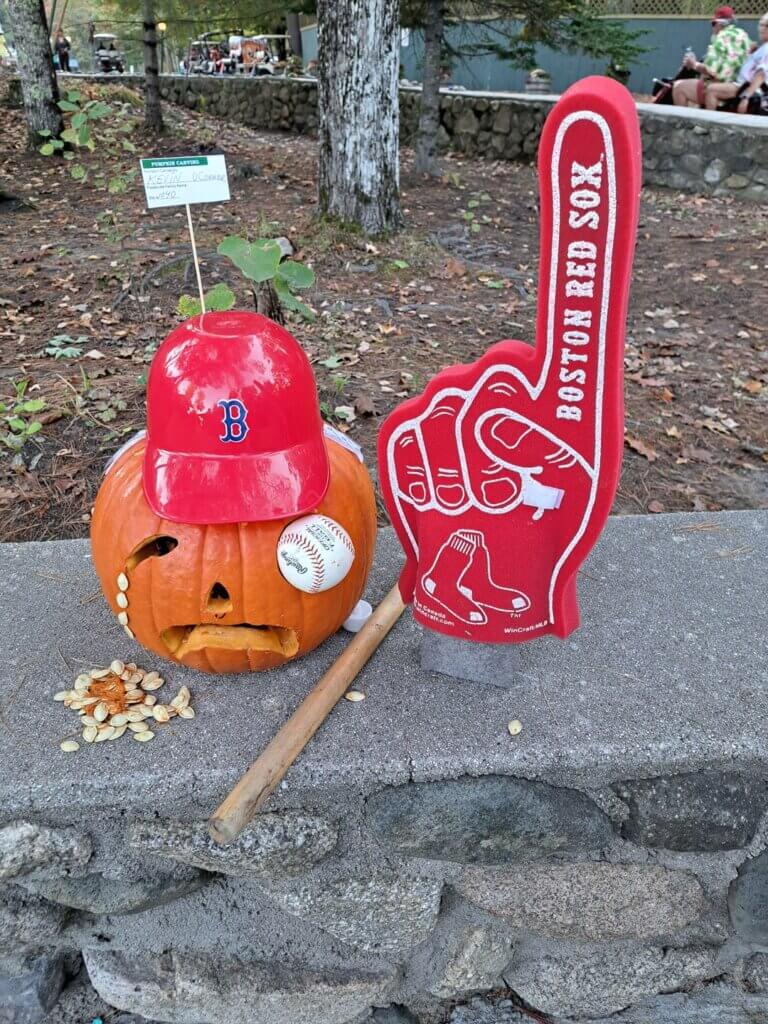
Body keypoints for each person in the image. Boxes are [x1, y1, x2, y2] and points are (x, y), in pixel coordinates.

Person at [672, 6, 751, 107]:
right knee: (702, 79)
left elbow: (710, 70)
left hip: (721, 84)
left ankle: (681, 122)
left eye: (713, 24)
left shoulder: (720, 38)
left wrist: (693, 64)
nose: (713, 27)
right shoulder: (744, 35)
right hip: (739, 85)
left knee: (678, 87)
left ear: (719, 23)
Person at [705, 11, 768, 110]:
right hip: (743, 85)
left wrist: (746, 97)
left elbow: (761, 74)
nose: (760, 29)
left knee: (711, 89)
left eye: (763, 25)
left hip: (745, 88)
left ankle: (708, 125)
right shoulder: (762, 47)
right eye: (760, 25)